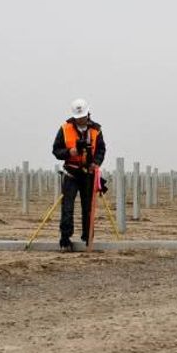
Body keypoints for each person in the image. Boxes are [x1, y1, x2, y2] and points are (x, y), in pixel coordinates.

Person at [52, 98, 106, 251]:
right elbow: (56, 150)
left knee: (88, 208)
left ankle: (88, 237)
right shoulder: (65, 128)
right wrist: (70, 152)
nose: (80, 120)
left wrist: (96, 162)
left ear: (88, 114)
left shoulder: (96, 130)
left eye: (82, 117)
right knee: (67, 208)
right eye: (78, 118)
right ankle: (65, 240)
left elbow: (101, 150)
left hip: (88, 174)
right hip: (71, 173)